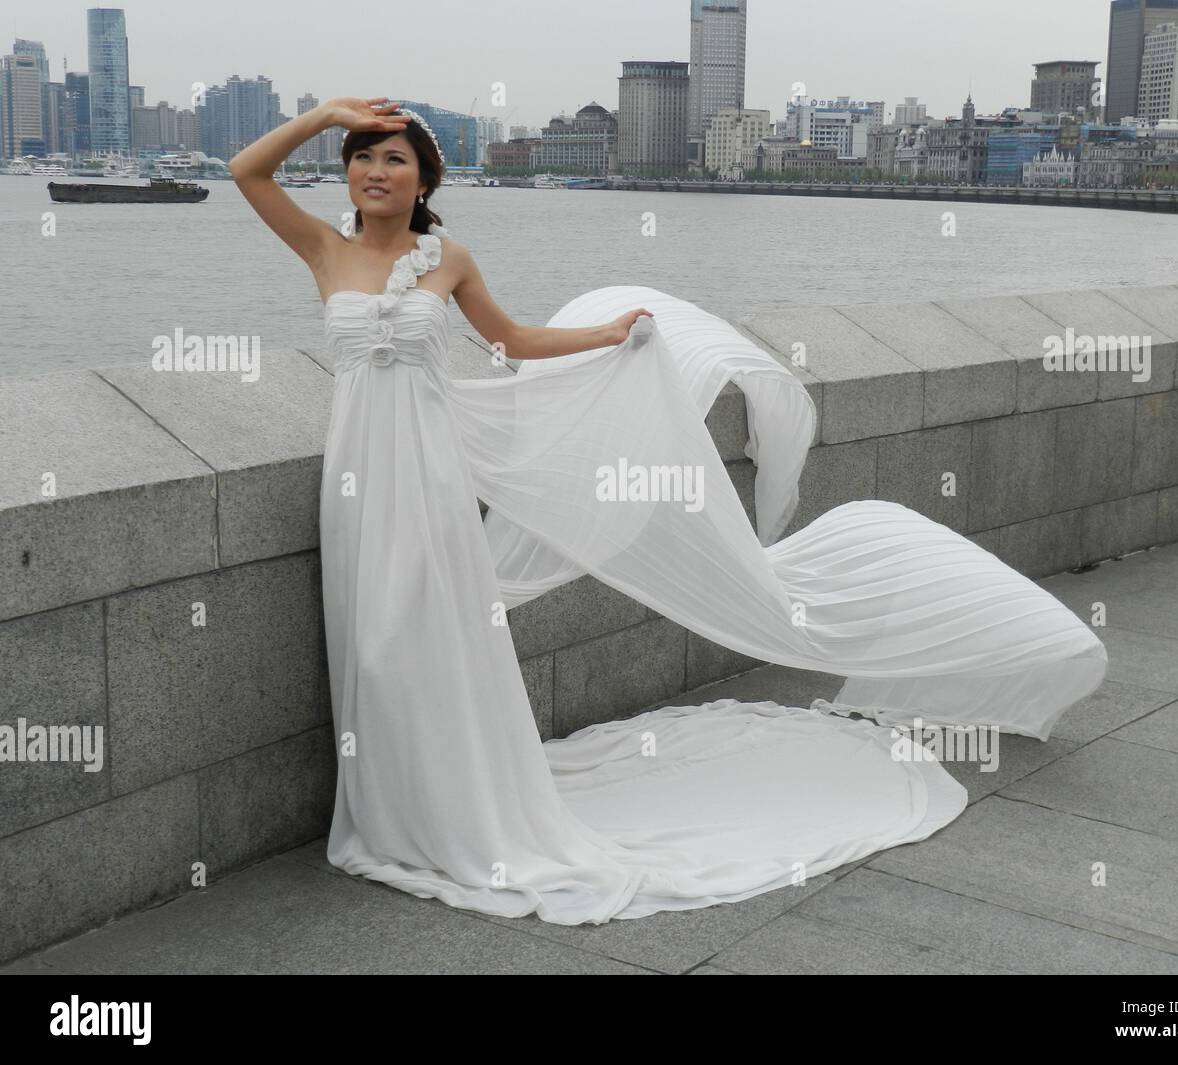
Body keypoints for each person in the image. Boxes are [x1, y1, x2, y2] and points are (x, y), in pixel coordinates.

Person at [229, 96, 1108, 925]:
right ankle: (391, 811)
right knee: (372, 636)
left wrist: (607, 339)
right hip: (357, 476)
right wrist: (328, 113)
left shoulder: (446, 261)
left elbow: (514, 342)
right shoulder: (323, 248)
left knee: (433, 632)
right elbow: (246, 171)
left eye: (394, 160)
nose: (376, 172)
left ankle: (465, 810)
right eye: (362, 159)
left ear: (423, 182)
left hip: (427, 473)